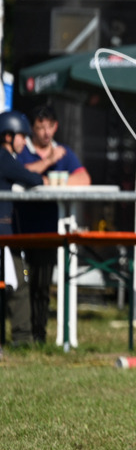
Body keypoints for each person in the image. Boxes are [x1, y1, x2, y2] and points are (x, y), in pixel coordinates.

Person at [16, 104, 91, 345]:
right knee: (22, 282)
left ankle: (39, 335)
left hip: (48, 232)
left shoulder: (64, 152)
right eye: (40, 127)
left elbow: (84, 179)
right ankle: (22, 335)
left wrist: (53, 181)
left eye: (50, 127)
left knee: (41, 285)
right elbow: (17, 173)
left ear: (56, 126)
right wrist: (48, 164)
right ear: (32, 129)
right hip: (21, 231)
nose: (46, 133)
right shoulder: (23, 151)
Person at [0, 111, 46, 348]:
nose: (24, 141)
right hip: (4, 236)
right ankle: (23, 338)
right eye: (21, 136)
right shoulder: (5, 159)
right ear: (8, 136)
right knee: (20, 281)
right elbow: (33, 179)